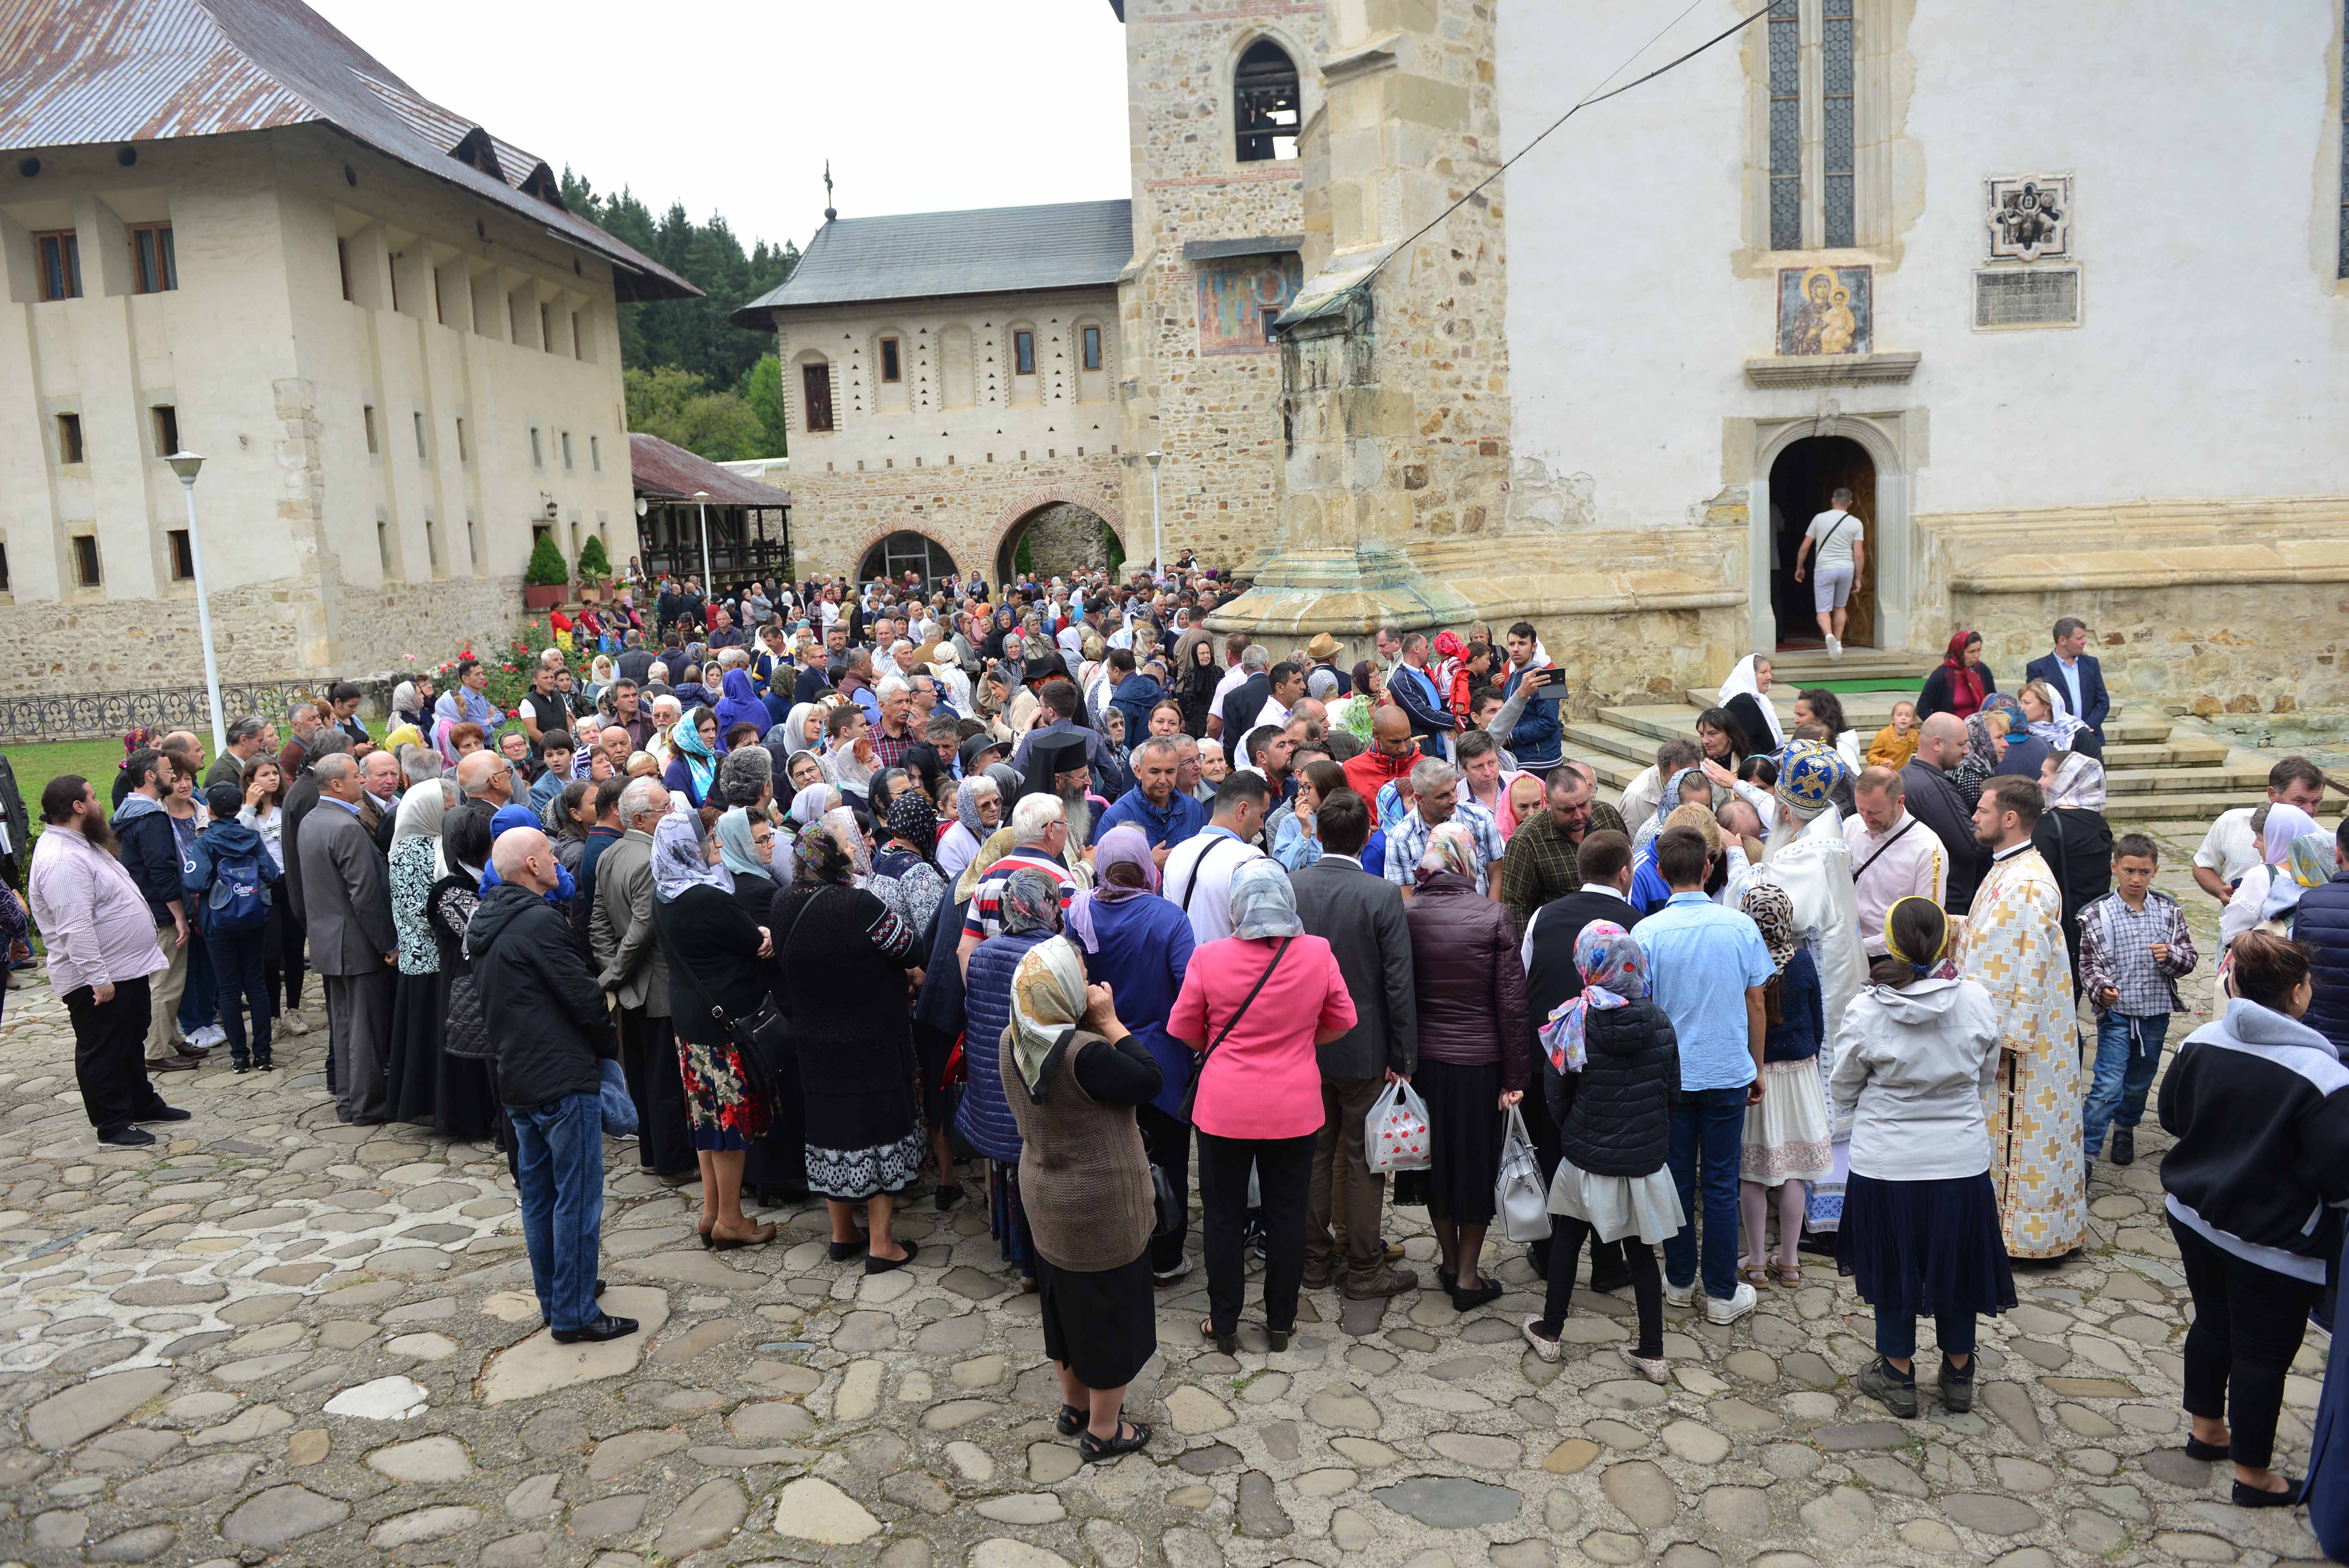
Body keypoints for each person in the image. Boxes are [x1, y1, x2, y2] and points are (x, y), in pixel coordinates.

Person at [2160, 931, 2349, 1506]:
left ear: (2233, 984)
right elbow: (2337, 1178)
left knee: (2212, 1323)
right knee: (2262, 1353)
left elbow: (2171, 1116)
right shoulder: (2323, 1077)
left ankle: (2206, 1432)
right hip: (2273, 1242)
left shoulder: (2202, 1038)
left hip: (2194, 1217)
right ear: (2298, 994)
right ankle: (2252, 1474)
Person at [1832, 896, 2012, 1419]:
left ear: (1889, 944)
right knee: (1956, 1262)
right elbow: (1985, 1075)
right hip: (1959, 1159)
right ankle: (1959, 1372)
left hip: (1889, 1162)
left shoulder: (1868, 1008)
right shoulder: (1976, 999)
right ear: (1944, 941)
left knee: (1893, 1263)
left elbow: (1844, 1088)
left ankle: (1898, 1374)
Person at [1169, 860, 1357, 1352]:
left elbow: (1186, 1029)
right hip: (1294, 1105)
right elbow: (1342, 1020)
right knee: (1288, 1215)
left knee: (1224, 1216)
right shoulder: (1317, 953)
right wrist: (1298, 1043)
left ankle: (1224, 1322)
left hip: (1224, 1107)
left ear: (1236, 907)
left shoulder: (1210, 957)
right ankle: (1280, 1321)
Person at [470, 827, 635, 1344]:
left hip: (518, 1076)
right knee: (578, 1199)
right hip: (560, 1078)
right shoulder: (539, 921)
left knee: (541, 1197)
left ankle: (561, 1294)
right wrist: (606, 1051)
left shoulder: (490, 920)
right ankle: (574, 1313)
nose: (558, 864)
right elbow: (584, 998)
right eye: (548, 856)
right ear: (533, 867)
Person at [997, 938, 1160, 1462]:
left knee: (1062, 1304)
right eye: (1081, 973)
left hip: (1045, 1195)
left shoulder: (1013, 1039)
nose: (1089, 979)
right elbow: (1149, 1079)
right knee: (1111, 1315)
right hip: (1101, 1205)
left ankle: (1074, 1408)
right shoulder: (1085, 1055)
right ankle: (1106, 1431)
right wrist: (1110, 1021)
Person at [1521, 920, 1678, 1379]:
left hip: (1586, 1154)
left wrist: (1573, 1132)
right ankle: (1653, 1351)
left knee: (1568, 1239)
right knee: (1643, 1250)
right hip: (1643, 1158)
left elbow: (1557, 1092)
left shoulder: (1574, 1020)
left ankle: (1551, 1332)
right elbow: (1673, 1091)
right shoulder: (1659, 1020)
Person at [1286, 789, 1421, 1300]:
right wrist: (1404, 1054)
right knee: (1364, 1161)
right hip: (1364, 1049)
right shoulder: (1380, 894)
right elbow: (1397, 983)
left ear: (1317, 834)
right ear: (1369, 834)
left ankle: (1314, 1263)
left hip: (1302, 1043)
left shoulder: (1291, 886)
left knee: (1314, 1155)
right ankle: (1364, 1268)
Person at [1638, 825, 1773, 1325]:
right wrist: (1756, 1066)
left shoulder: (1646, 934)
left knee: (1674, 1180)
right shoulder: (1739, 928)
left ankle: (1677, 1281)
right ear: (1707, 869)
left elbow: (1643, 1007)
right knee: (1720, 1183)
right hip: (1725, 1071)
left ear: (1658, 872)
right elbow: (1756, 1000)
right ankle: (1720, 1291)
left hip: (1671, 1077)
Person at [777, 814, 923, 1270]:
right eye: (849, 843)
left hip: (815, 1043)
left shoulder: (782, 903)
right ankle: (881, 1244)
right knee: (879, 1134)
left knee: (830, 1133)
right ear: (836, 858)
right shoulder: (859, 904)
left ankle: (843, 1234)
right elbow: (912, 950)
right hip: (872, 1042)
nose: (858, 846)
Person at [1402, 822, 1532, 1309]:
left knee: (1437, 1164)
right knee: (1476, 1166)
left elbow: (1402, 995)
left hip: (1428, 1063)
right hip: (1481, 1064)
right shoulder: (1494, 916)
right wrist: (1516, 1077)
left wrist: (1403, 1059)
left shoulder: (1408, 915)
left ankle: (1452, 1261)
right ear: (1467, 860)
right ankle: (1469, 1277)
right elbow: (1512, 1005)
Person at [1958, 776, 2083, 1262]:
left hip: (2018, 1041)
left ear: (2010, 819)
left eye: (1983, 810)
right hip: (2012, 1028)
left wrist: (2002, 1036)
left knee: (2021, 1135)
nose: (1974, 817)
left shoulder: (2027, 882)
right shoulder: (2011, 868)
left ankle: (2019, 1236)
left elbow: (2021, 967)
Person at [1065, 826, 1198, 1284]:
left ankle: (1118, 1252)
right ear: (1146, 865)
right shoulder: (1168, 918)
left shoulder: (1078, 913)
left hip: (1098, 1057)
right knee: (1169, 1158)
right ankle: (1166, 1256)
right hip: (1161, 1060)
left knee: (1112, 1158)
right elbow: (1190, 989)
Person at [28, 776, 186, 1146]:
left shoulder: (81, 843)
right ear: (78, 807)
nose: (101, 804)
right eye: (94, 798)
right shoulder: (62, 859)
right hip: (98, 978)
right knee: (103, 1049)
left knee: (130, 1040)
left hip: (124, 967)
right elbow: (75, 926)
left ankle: (141, 1103)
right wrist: (97, 978)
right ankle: (113, 1124)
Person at [648, 814, 780, 1250]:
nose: (717, 846)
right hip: (725, 1024)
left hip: (691, 1019)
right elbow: (752, 941)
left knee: (706, 1120)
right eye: (708, 839)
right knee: (730, 1124)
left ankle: (711, 1212)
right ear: (688, 846)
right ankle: (732, 1220)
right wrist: (762, 933)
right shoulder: (706, 897)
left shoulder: (665, 892)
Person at [592, 778, 696, 1183]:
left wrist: (614, 973)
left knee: (641, 1074)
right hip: (658, 988)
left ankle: (652, 1155)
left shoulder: (610, 853)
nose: (673, 814)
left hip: (633, 987)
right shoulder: (652, 857)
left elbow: (599, 923)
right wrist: (616, 974)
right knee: (666, 1078)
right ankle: (674, 1163)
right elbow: (643, 928)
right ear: (641, 818)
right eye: (665, 808)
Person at [1729, 880, 1831, 1288]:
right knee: (1795, 1172)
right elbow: (1818, 1022)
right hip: (1799, 1074)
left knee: (1752, 1173)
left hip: (1757, 1074)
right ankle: (1788, 1261)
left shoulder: (1742, 961)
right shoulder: (1802, 963)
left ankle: (1755, 1262)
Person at [2077, 833, 2197, 1166]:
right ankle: (2086, 1154)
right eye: (2129, 870)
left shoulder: (2169, 912)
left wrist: (2170, 955)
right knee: (2107, 1085)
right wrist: (2102, 988)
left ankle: (2125, 1130)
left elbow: (2189, 959)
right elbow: (2088, 965)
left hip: (2156, 1014)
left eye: (2144, 872)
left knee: (2140, 1082)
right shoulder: (2097, 915)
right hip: (2116, 1015)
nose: (2136, 879)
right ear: (2115, 867)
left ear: (2156, 871)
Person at [301, 754, 397, 1125]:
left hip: (329, 940)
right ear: (337, 785)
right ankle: (366, 1105)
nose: (363, 780)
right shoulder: (345, 826)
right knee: (363, 1029)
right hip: (355, 944)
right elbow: (365, 894)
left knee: (344, 1026)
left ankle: (349, 1100)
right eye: (358, 776)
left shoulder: (313, 819)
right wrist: (388, 944)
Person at [110, 750, 202, 1073]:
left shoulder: (130, 809)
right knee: (166, 980)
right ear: (151, 776)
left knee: (168, 978)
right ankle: (157, 1049)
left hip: (145, 906)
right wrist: (179, 915)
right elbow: (161, 870)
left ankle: (171, 1036)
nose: (174, 778)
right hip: (159, 911)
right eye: (167, 772)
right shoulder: (149, 818)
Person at [2192, 757, 2329, 908]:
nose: (2310, 811)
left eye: (2316, 802)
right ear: (2273, 794)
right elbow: (2203, 866)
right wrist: (2220, 891)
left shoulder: (2325, 843)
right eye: (2299, 801)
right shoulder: (2232, 822)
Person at [1163, 774, 1271, 945]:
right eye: (1262, 816)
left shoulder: (1177, 853)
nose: (1261, 826)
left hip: (1186, 968)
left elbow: (1171, 923)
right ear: (1243, 811)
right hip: (1230, 968)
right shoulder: (1249, 860)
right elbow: (1260, 938)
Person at [1900, 713, 1987, 914]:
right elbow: (1972, 845)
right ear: (1938, 743)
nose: (1967, 751)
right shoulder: (1935, 789)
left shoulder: (1906, 774)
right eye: (1961, 744)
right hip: (1947, 903)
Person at [1094, 735, 1206, 859]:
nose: (1163, 780)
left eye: (1170, 772)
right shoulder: (1115, 817)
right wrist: (1149, 865)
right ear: (1139, 772)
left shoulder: (1194, 809)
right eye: (1155, 772)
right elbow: (1102, 872)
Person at [1790, 486, 1865, 657]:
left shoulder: (1819, 519)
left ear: (1833, 501)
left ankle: (1829, 635)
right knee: (1841, 607)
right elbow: (1859, 554)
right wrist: (1859, 578)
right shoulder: (1856, 523)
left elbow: (1805, 547)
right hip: (1846, 568)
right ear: (1851, 503)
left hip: (1825, 568)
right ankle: (1838, 644)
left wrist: (1800, 568)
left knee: (1823, 610)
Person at [2025, 616, 2108, 757]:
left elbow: (2103, 701)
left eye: (2084, 637)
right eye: (2079, 638)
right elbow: (2037, 705)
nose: (2084, 641)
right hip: (2055, 743)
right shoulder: (2039, 668)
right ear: (2063, 640)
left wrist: (2084, 727)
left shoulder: (2091, 664)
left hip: (2089, 738)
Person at [1918, 630, 1997, 721]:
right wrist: (1942, 725)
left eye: (1979, 650)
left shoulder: (1982, 670)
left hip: (1982, 727)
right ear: (1960, 652)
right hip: (1952, 732)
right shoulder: (1942, 675)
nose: (1976, 656)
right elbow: (1922, 709)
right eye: (1971, 652)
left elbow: (1993, 700)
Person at [1716, 654, 1783, 755]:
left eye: (1770, 672)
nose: (1770, 677)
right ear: (1749, 675)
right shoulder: (1742, 702)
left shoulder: (1754, 698)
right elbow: (1745, 745)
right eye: (1764, 672)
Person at [1866, 700, 1920, 770]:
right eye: (1899, 715)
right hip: (1880, 773)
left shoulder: (1914, 735)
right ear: (1893, 719)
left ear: (1913, 721)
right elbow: (1870, 756)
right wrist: (1883, 761)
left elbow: (1924, 749)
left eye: (1908, 716)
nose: (1903, 718)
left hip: (1900, 774)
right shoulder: (1883, 735)